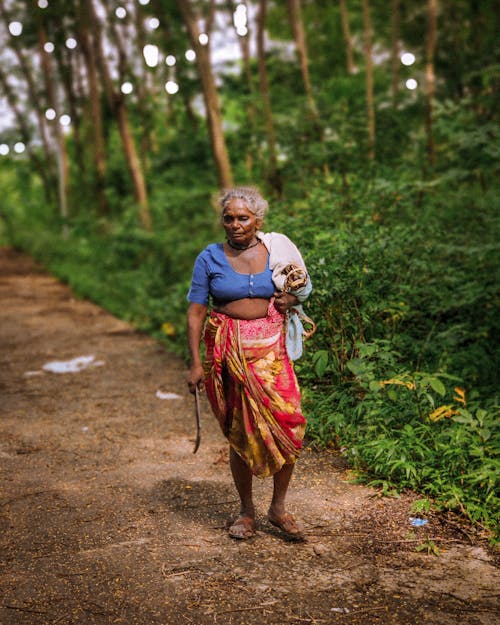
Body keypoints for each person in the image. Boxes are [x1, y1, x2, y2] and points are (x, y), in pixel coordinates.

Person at [186, 186, 312, 540]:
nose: (236, 224)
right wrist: (196, 363)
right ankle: (246, 511)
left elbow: (299, 286)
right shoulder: (209, 258)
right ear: (222, 220)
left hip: (272, 353)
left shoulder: (276, 251)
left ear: (258, 220)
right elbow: (196, 311)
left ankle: (278, 509)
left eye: (243, 218)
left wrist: (288, 298)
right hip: (228, 354)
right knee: (240, 431)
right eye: (229, 218)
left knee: (288, 423)